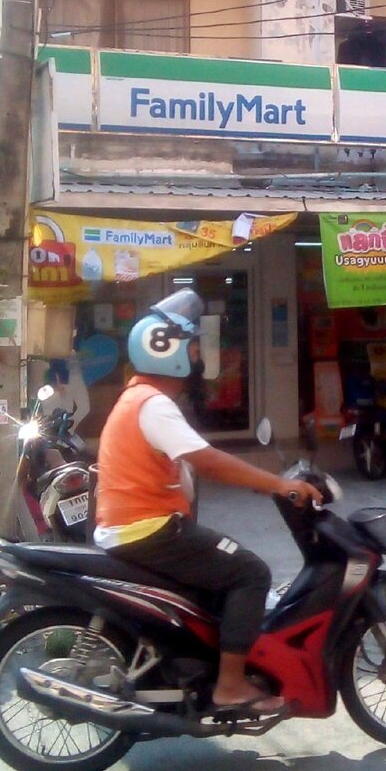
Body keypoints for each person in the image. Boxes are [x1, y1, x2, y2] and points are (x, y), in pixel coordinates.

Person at [93, 289, 323, 717]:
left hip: (133, 526)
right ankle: (230, 687)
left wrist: (260, 482)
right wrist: (278, 485)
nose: (199, 354)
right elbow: (208, 460)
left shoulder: (135, 398)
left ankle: (212, 665)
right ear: (169, 351)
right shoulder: (154, 405)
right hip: (149, 530)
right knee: (250, 572)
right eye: (193, 346)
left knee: (219, 572)